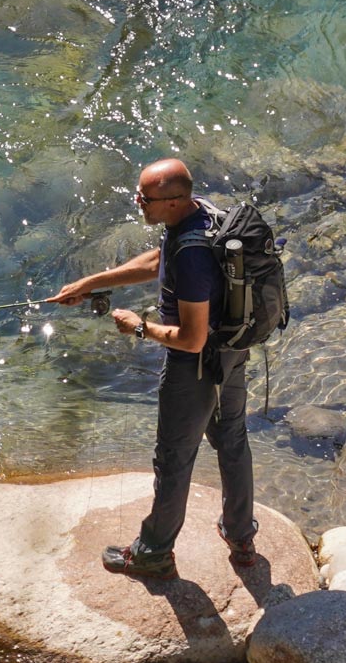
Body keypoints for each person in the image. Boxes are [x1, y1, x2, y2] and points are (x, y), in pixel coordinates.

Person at [47, 158, 256, 580]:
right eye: (139, 195)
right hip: (233, 351)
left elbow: (192, 338)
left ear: (175, 201)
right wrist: (93, 283)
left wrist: (140, 328)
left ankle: (154, 552)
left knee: (174, 459)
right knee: (231, 438)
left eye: (145, 198)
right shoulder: (205, 215)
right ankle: (241, 537)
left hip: (196, 366)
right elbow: (160, 260)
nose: (138, 203)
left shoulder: (193, 257)